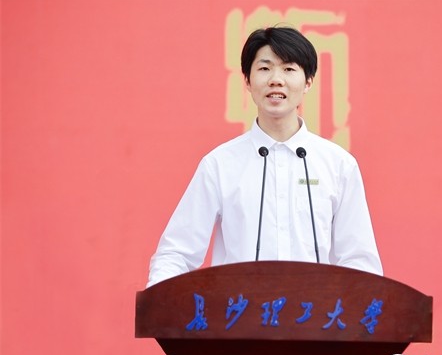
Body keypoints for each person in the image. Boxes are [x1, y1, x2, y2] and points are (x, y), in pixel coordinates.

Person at [147, 26, 382, 287]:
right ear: (248, 81)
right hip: (238, 311)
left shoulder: (338, 165)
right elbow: (176, 253)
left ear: (308, 82)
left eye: (289, 69)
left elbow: (360, 262)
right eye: (264, 68)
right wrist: (160, 300)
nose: (276, 79)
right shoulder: (220, 164)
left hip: (314, 313)